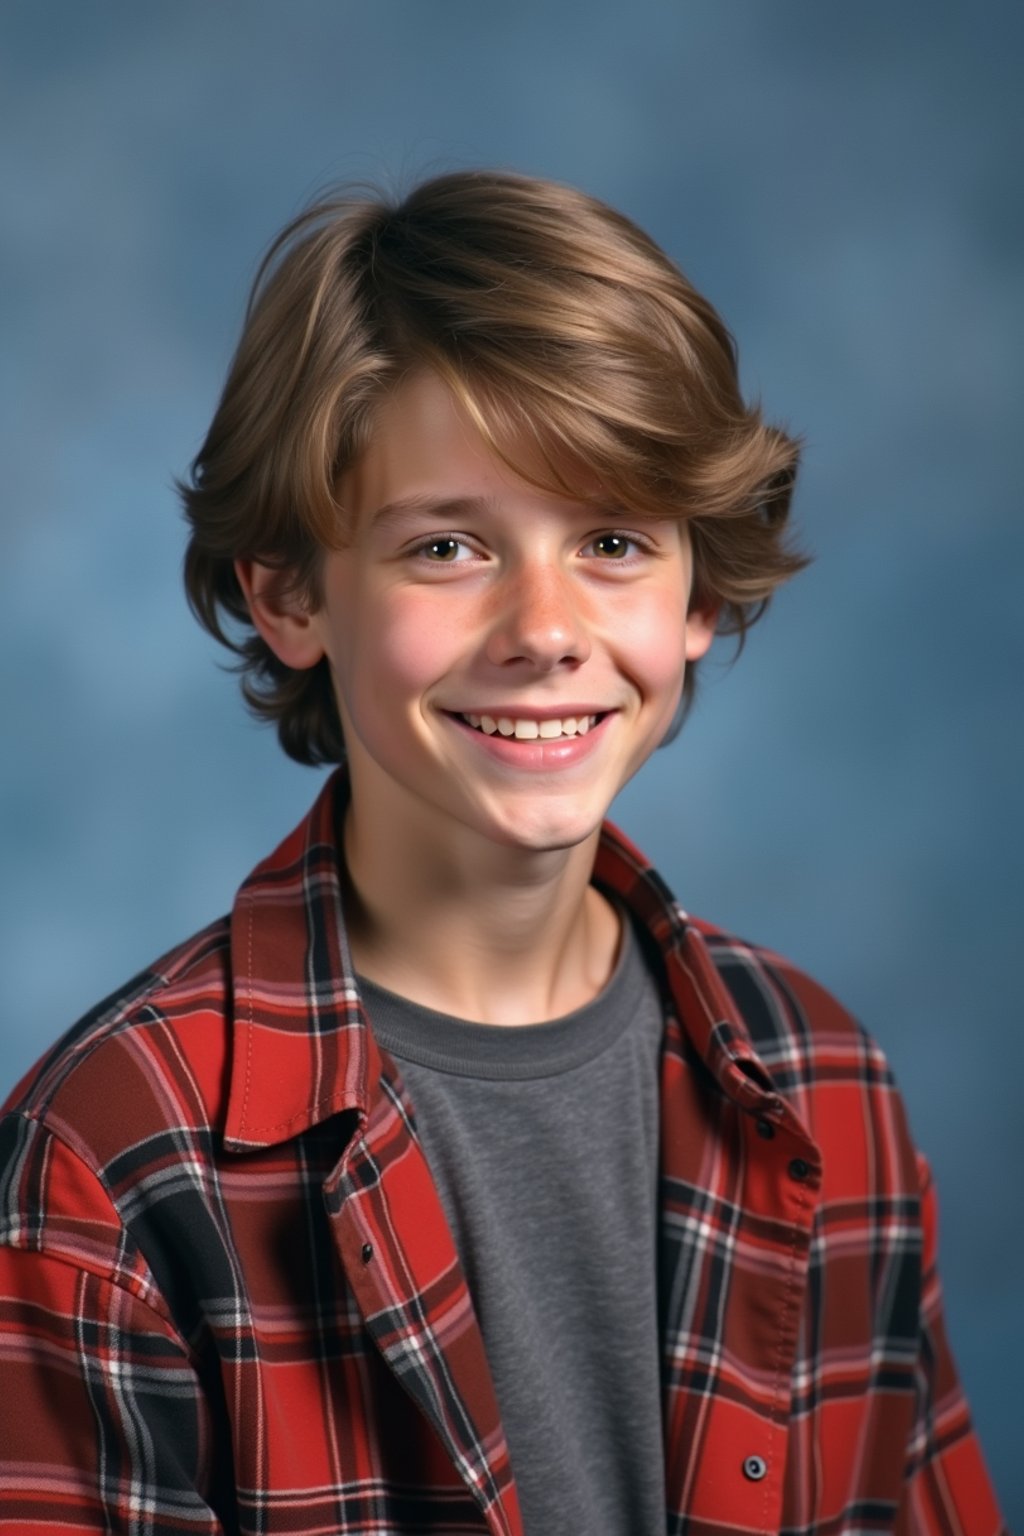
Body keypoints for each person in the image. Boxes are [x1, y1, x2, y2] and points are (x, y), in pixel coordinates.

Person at [0, 171, 1005, 1536]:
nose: (546, 628)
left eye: (610, 541)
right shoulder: (111, 1162)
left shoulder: (825, 1089)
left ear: (698, 593)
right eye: (451, 545)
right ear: (291, 592)